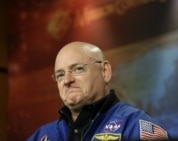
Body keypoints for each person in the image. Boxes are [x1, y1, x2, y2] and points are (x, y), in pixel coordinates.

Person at [27, 41, 170, 141]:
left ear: (105, 71)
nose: (67, 80)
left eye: (78, 69)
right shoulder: (43, 136)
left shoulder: (136, 125)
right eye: (60, 75)